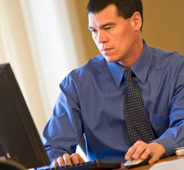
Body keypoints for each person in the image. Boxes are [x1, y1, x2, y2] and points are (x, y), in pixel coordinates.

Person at [42, 0, 184, 167]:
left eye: (108, 28)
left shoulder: (176, 69)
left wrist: (160, 146)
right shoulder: (77, 84)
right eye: (94, 30)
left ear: (135, 21)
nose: (100, 39)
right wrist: (61, 161)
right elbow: (52, 148)